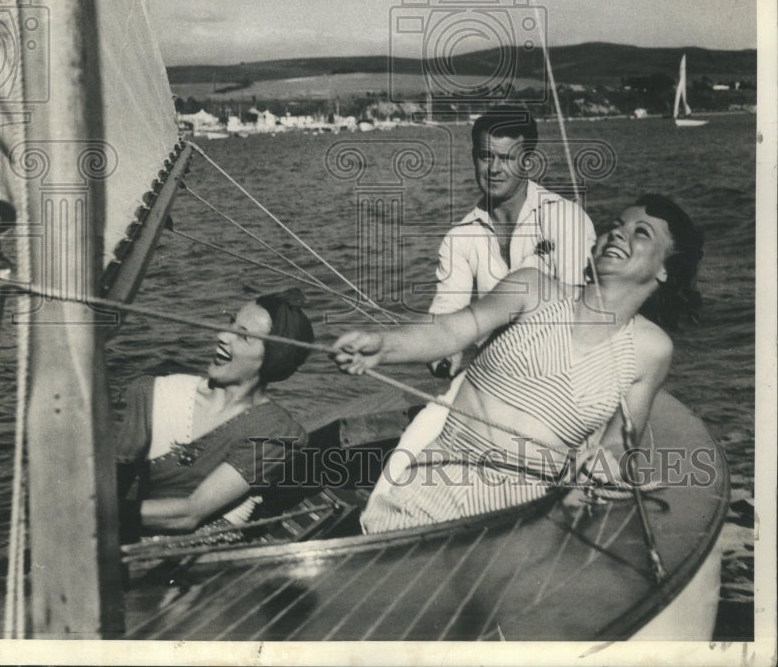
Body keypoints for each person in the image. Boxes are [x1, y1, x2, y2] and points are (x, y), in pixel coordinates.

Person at [333, 195, 702, 533]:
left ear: (665, 270)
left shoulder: (651, 349)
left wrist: (598, 467)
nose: (619, 234)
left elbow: (621, 442)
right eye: (615, 226)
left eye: (641, 233)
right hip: (435, 488)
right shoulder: (533, 288)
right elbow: (450, 330)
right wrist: (384, 346)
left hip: (524, 516)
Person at [116, 290, 313, 539]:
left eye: (242, 336)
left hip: (191, 552)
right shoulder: (153, 391)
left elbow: (191, 513)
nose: (222, 336)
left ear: (274, 357)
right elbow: (114, 479)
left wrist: (90, 512)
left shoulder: (277, 433)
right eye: (230, 323)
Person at [428, 105, 595, 378]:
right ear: (474, 158)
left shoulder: (566, 218)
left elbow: (578, 313)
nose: (494, 168)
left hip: (563, 374)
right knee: (426, 422)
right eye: (485, 156)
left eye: (506, 158)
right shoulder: (459, 238)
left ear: (528, 162)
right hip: (492, 375)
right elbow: (448, 309)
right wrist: (442, 348)